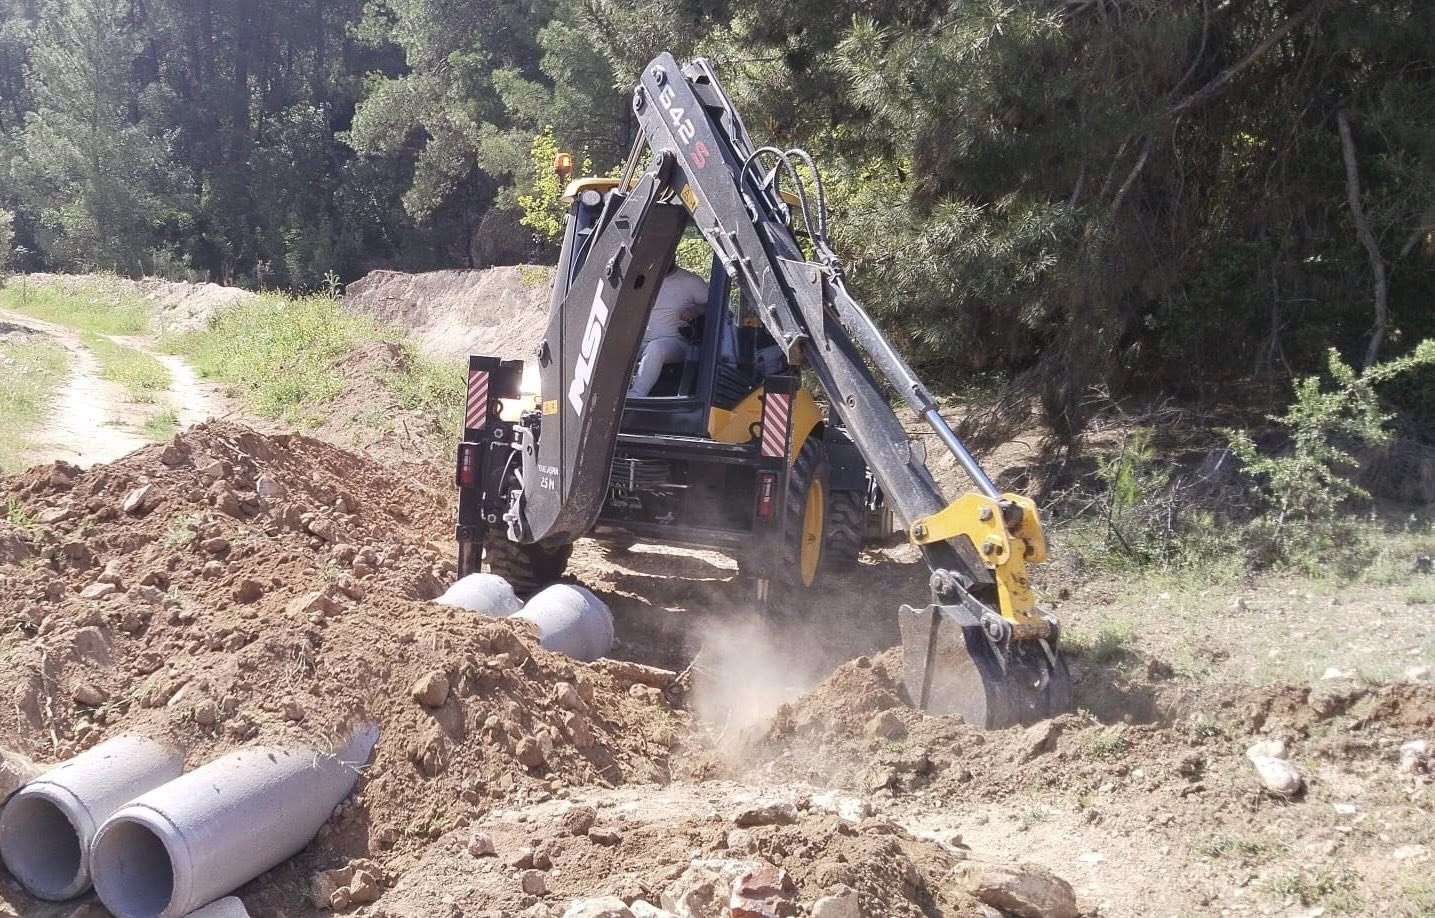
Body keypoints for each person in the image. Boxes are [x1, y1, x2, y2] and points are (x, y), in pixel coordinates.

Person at [627, 264, 708, 397]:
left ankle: (636, 394)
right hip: (641, 341)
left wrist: (696, 310)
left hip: (676, 342)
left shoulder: (690, 281)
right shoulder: (642, 278)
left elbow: (715, 306)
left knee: (656, 348)